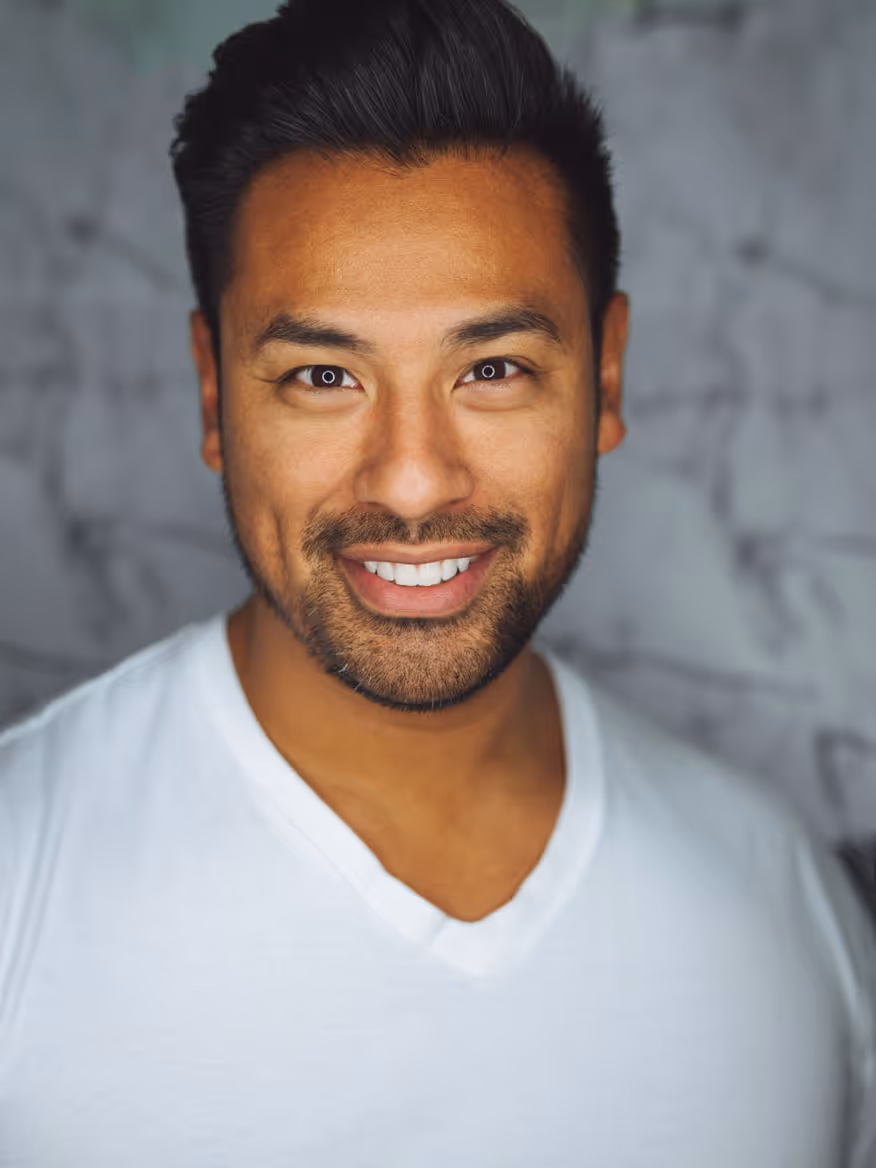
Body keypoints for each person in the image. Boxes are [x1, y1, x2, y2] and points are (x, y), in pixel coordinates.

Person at [1, 1, 874, 1164]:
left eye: (494, 368)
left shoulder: (787, 912)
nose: (412, 482)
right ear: (215, 396)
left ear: (604, 376)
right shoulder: (21, 879)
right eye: (322, 374)